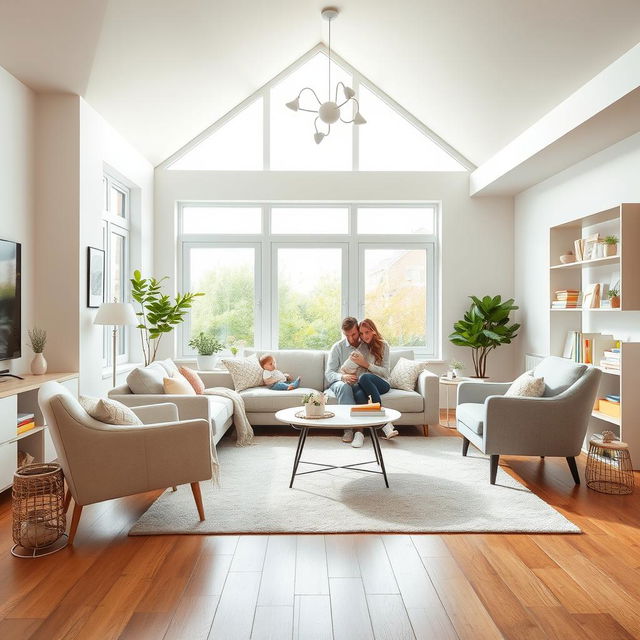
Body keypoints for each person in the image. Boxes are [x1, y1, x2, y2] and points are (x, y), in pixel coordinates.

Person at [347, 318, 398, 447]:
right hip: (365, 384)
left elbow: (386, 372)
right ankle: (359, 433)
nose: (364, 336)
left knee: (364, 377)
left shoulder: (383, 345)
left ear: (373, 331)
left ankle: (385, 423)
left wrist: (366, 364)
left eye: (367, 332)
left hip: (382, 383)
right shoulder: (362, 347)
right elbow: (353, 368)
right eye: (362, 333)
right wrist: (347, 371)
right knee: (357, 391)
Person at [325, 317, 362, 443]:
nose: (351, 339)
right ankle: (348, 429)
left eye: (354, 334)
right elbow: (329, 374)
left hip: (359, 382)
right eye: (347, 335)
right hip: (339, 383)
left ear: (358, 330)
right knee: (344, 386)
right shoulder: (337, 347)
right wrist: (342, 377)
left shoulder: (365, 346)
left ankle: (362, 430)